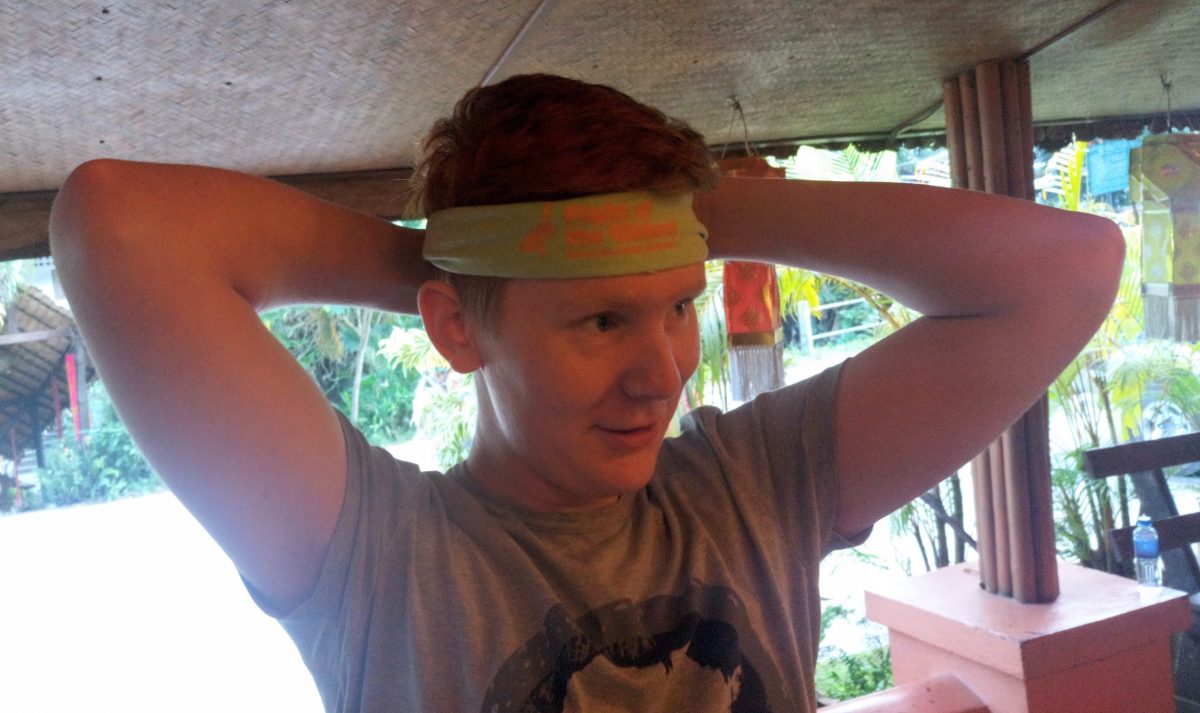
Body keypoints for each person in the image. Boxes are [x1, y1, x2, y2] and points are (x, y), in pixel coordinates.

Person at [49, 74, 1123, 712]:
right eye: (601, 319)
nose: (662, 371)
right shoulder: (376, 557)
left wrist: (709, 214)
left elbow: (1070, 271)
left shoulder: (752, 486)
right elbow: (117, 224)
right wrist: (452, 265)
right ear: (458, 331)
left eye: (676, 305)